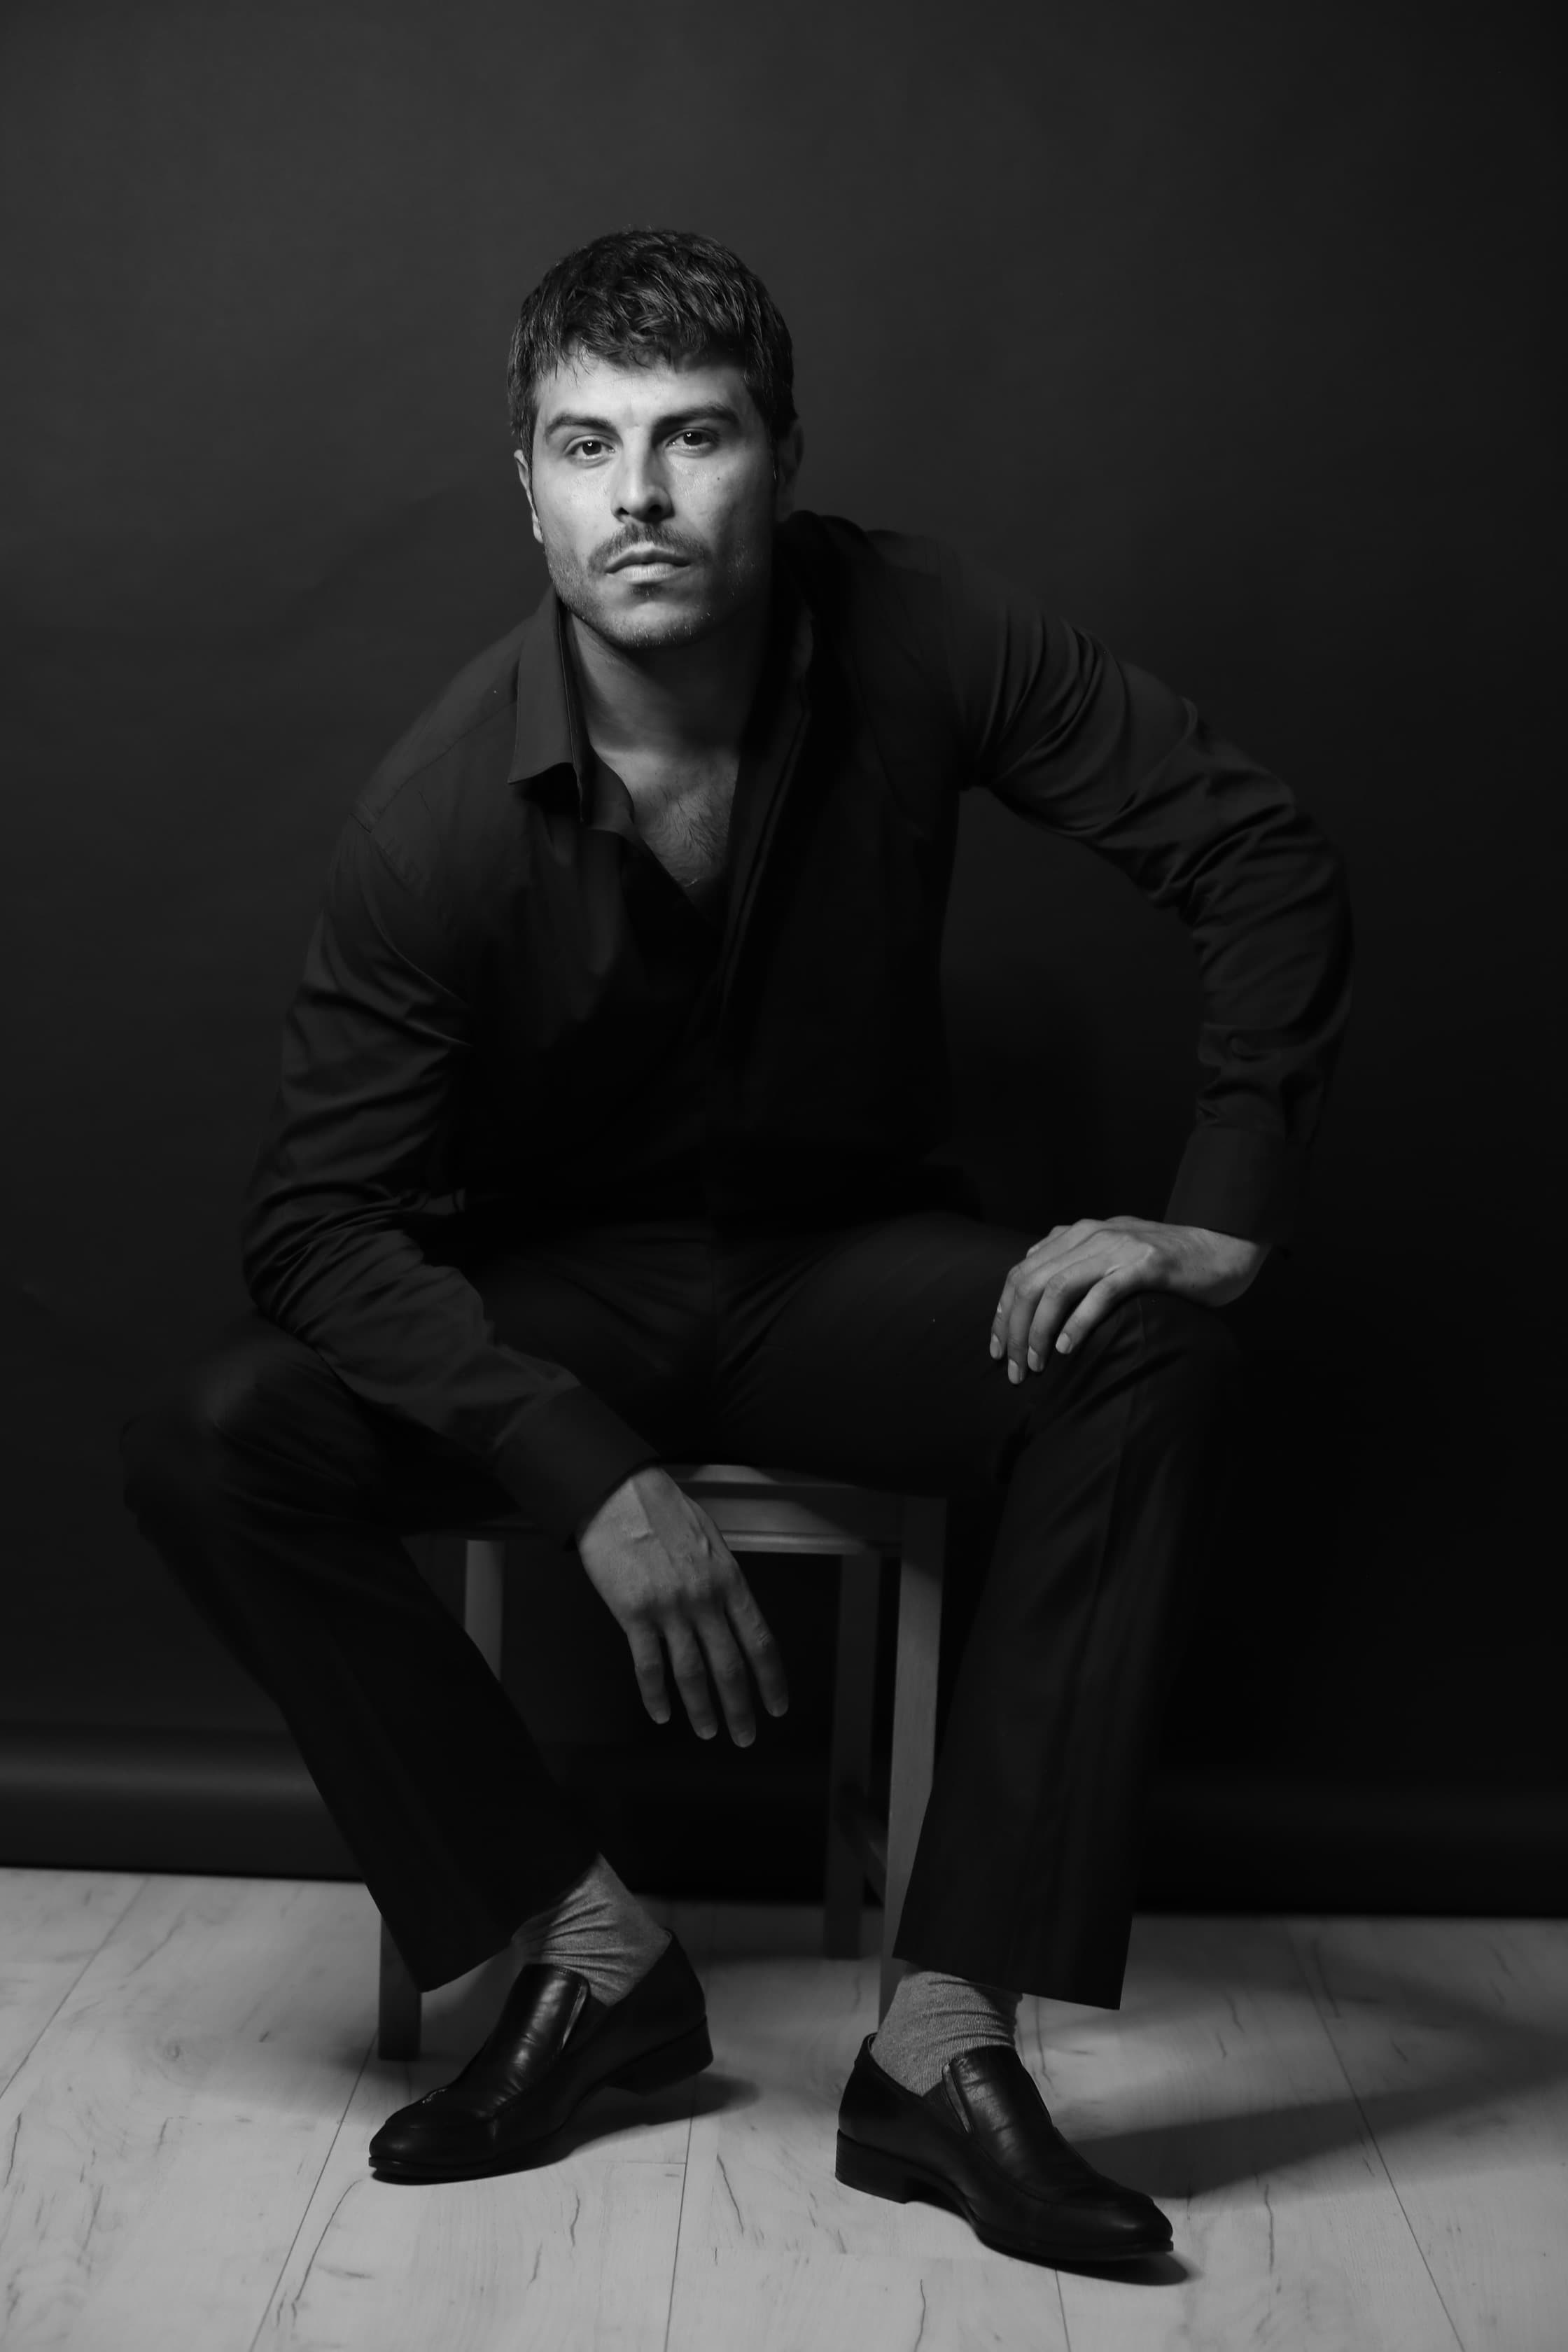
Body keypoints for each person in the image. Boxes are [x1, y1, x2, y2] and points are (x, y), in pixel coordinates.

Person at [122, 225, 1351, 2268]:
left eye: (695, 437)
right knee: (213, 1439)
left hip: (843, 1270)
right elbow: (316, 1226)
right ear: (524, 482)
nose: (642, 495)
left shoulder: (922, 625)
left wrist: (1218, 1211)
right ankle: (589, 1949)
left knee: (1149, 1346)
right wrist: (583, 1471)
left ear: (781, 454)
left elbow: (1257, 851)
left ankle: (944, 2045)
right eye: (586, 445)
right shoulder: (433, 818)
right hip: (559, 1297)